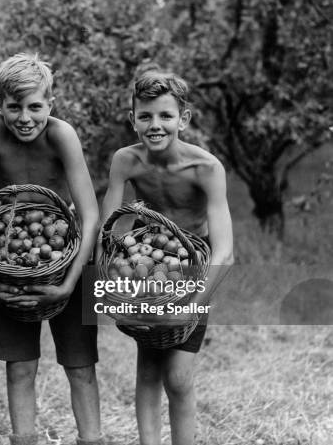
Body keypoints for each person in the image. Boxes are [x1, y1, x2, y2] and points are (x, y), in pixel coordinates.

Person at [0, 53, 104, 445]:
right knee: (20, 366)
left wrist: (69, 282)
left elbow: (90, 216)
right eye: (14, 107)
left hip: (65, 258)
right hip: (9, 259)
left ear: (51, 104)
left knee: (81, 367)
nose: (25, 117)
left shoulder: (62, 135)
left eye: (35, 107)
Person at [99, 69, 234, 445]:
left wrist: (193, 305)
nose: (155, 125)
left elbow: (225, 252)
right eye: (145, 116)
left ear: (184, 119)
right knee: (148, 370)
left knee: (178, 377)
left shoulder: (206, 168)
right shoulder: (126, 160)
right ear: (133, 120)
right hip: (147, 269)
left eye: (165, 116)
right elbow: (109, 234)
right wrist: (112, 282)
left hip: (194, 269)